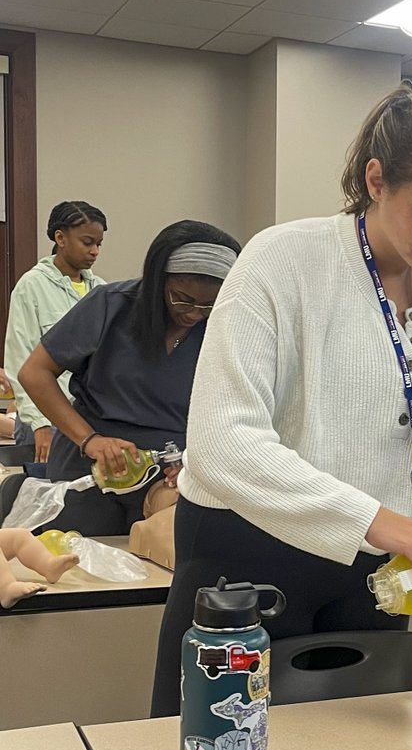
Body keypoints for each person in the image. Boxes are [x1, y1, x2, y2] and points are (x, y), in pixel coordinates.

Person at [149, 83, 412, 718]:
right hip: (251, 550)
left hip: (384, 571)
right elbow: (223, 443)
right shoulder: (283, 260)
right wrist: (383, 522)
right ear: (376, 180)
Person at [17, 220, 240, 538]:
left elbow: (231, 411)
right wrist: (90, 440)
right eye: (181, 298)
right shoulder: (111, 305)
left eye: (207, 304)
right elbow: (34, 372)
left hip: (171, 477)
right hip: (90, 469)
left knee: (165, 569)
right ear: (157, 281)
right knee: (84, 569)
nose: (193, 313)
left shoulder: (223, 326)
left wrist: (196, 463)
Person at [4, 201, 107, 472]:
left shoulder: (102, 291)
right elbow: (20, 360)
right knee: (43, 501)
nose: (94, 251)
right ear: (60, 238)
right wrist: (39, 424)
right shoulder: (32, 286)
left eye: (99, 244)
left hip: (88, 420)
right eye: (87, 242)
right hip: (46, 418)